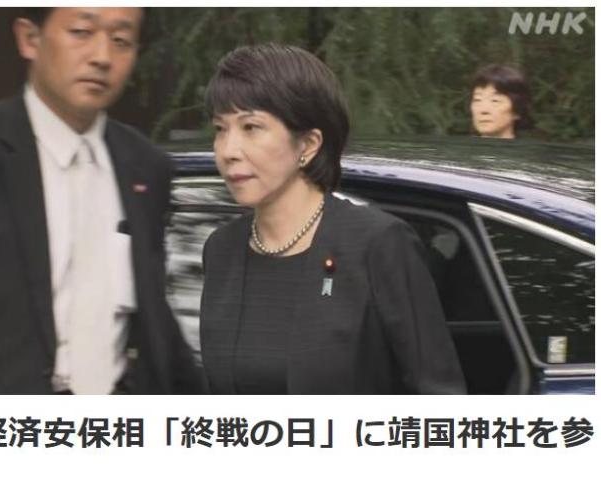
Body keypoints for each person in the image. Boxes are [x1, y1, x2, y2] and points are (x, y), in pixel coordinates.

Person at [0, 7, 203, 394]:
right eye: (81, 31)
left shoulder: (146, 167)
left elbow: (150, 313)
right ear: (30, 39)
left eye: (121, 40)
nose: (102, 56)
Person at [200, 44, 466, 394]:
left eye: (251, 127)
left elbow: (439, 397)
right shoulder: (221, 249)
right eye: (221, 129)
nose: (228, 151)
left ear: (308, 144)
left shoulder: (378, 244)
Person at [470, 64, 531, 139]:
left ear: (517, 111)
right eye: (477, 100)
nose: (483, 110)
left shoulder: (531, 146)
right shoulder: (461, 146)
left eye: (495, 100)